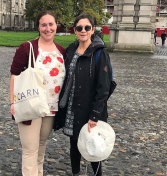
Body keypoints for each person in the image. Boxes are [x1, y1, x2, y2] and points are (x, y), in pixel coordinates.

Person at [54, 13, 112, 176]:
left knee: (93, 147)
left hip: (90, 109)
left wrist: (95, 114)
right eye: (79, 28)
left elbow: (104, 88)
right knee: (74, 144)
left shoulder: (99, 53)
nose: (83, 31)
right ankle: (76, 173)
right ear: (75, 30)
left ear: (93, 29)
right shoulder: (71, 50)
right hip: (72, 106)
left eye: (87, 27)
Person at [9, 11, 66, 176]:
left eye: (51, 24)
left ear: (56, 26)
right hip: (30, 104)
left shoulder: (61, 52)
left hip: (51, 107)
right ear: (38, 27)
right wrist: (12, 102)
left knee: (41, 146)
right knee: (30, 150)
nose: (48, 28)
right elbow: (14, 75)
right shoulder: (27, 48)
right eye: (44, 25)